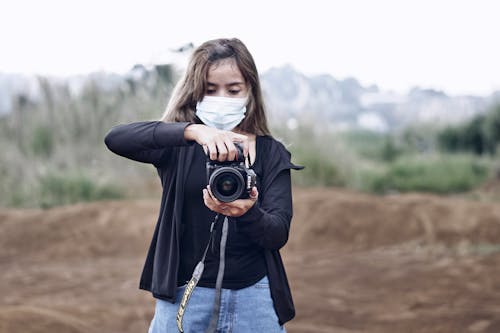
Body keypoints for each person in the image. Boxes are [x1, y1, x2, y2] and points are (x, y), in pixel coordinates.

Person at [104, 38, 302, 333]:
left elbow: (277, 233)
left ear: (249, 91)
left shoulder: (271, 153)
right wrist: (192, 131)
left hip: (254, 297)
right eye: (210, 90)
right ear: (195, 92)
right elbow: (116, 138)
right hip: (186, 292)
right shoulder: (179, 147)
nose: (222, 97)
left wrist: (246, 213)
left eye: (233, 90)